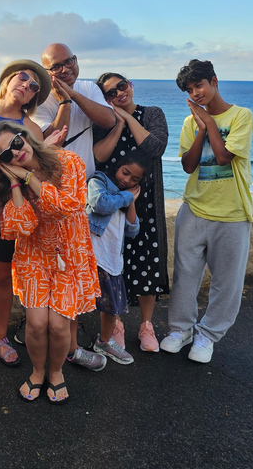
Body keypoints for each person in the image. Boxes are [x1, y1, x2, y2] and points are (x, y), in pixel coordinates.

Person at [0, 121, 99, 404]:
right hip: (34, 254)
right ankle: (36, 372)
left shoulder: (68, 161)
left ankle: (56, 373)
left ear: (25, 137)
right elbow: (20, 227)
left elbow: (66, 207)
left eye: (16, 144)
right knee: (35, 324)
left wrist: (29, 176)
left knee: (58, 326)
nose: (15, 153)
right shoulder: (12, 182)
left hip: (70, 255)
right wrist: (14, 183)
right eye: (6, 155)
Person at [160, 59, 253, 364]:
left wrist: (211, 123)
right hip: (195, 209)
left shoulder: (242, 116)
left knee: (226, 282)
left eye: (198, 85)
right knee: (185, 275)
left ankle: (208, 335)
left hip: (233, 213)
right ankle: (181, 330)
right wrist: (200, 128)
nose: (195, 92)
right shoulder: (191, 122)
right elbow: (189, 165)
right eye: (189, 89)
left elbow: (225, 156)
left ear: (214, 81)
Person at [31, 43, 116, 371]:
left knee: (74, 274)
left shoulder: (88, 87)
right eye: (57, 67)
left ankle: (68, 341)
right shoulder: (41, 98)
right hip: (49, 196)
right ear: (47, 71)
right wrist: (63, 101)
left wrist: (73, 95)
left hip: (80, 198)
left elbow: (107, 119)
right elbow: (50, 138)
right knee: (52, 268)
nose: (65, 69)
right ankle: (58, 341)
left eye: (69, 62)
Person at [0, 60, 50, 367]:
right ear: (6, 79)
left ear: (33, 98)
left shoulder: (31, 129)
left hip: (4, 209)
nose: (26, 86)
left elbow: (38, 168)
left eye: (34, 87)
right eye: (23, 78)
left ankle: (0, 337)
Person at [94, 73, 170, 352]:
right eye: (110, 94)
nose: (118, 94)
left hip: (145, 201)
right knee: (114, 264)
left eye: (121, 86)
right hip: (112, 204)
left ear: (131, 85)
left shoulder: (152, 114)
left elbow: (155, 148)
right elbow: (100, 156)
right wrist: (116, 123)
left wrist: (129, 118)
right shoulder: (104, 120)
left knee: (146, 261)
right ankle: (115, 324)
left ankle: (147, 324)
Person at [87, 154, 148, 365]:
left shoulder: (125, 196)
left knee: (111, 306)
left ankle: (103, 341)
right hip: (91, 254)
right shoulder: (99, 181)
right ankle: (71, 348)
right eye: (125, 172)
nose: (127, 180)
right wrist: (126, 197)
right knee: (77, 304)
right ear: (117, 166)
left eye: (134, 180)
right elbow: (99, 203)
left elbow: (133, 229)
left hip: (112, 258)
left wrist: (130, 200)